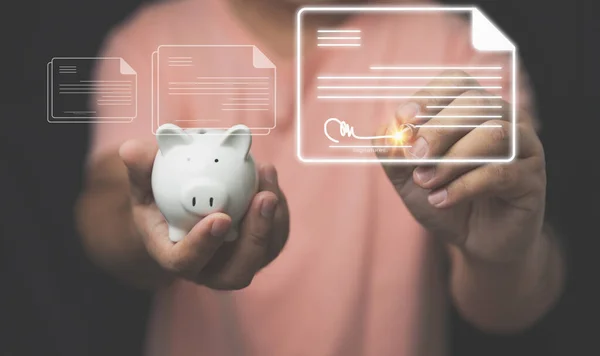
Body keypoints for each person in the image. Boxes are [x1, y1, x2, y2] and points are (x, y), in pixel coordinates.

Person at [75, 0, 566, 355]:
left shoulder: (458, 51)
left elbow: (512, 308)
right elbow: (107, 211)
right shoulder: (155, 40)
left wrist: (503, 254)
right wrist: (147, 227)